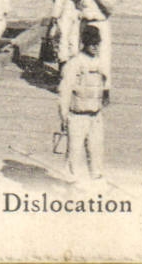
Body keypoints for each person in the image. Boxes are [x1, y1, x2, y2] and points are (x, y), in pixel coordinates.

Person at [57, 24, 110, 184]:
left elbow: (105, 85)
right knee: (74, 153)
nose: (95, 47)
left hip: (95, 116)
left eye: (97, 43)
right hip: (77, 116)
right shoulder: (74, 64)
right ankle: (71, 185)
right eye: (91, 43)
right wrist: (63, 116)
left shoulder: (101, 63)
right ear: (84, 43)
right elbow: (64, 92)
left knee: (96, 153)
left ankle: (96, 182)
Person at [78, 0, 116, 77]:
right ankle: (81, 84)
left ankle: (105, 88)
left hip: (100, 23)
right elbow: (77, 1)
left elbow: (109, 11)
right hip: (85, 23)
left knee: (103, 56)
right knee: (82, 55)